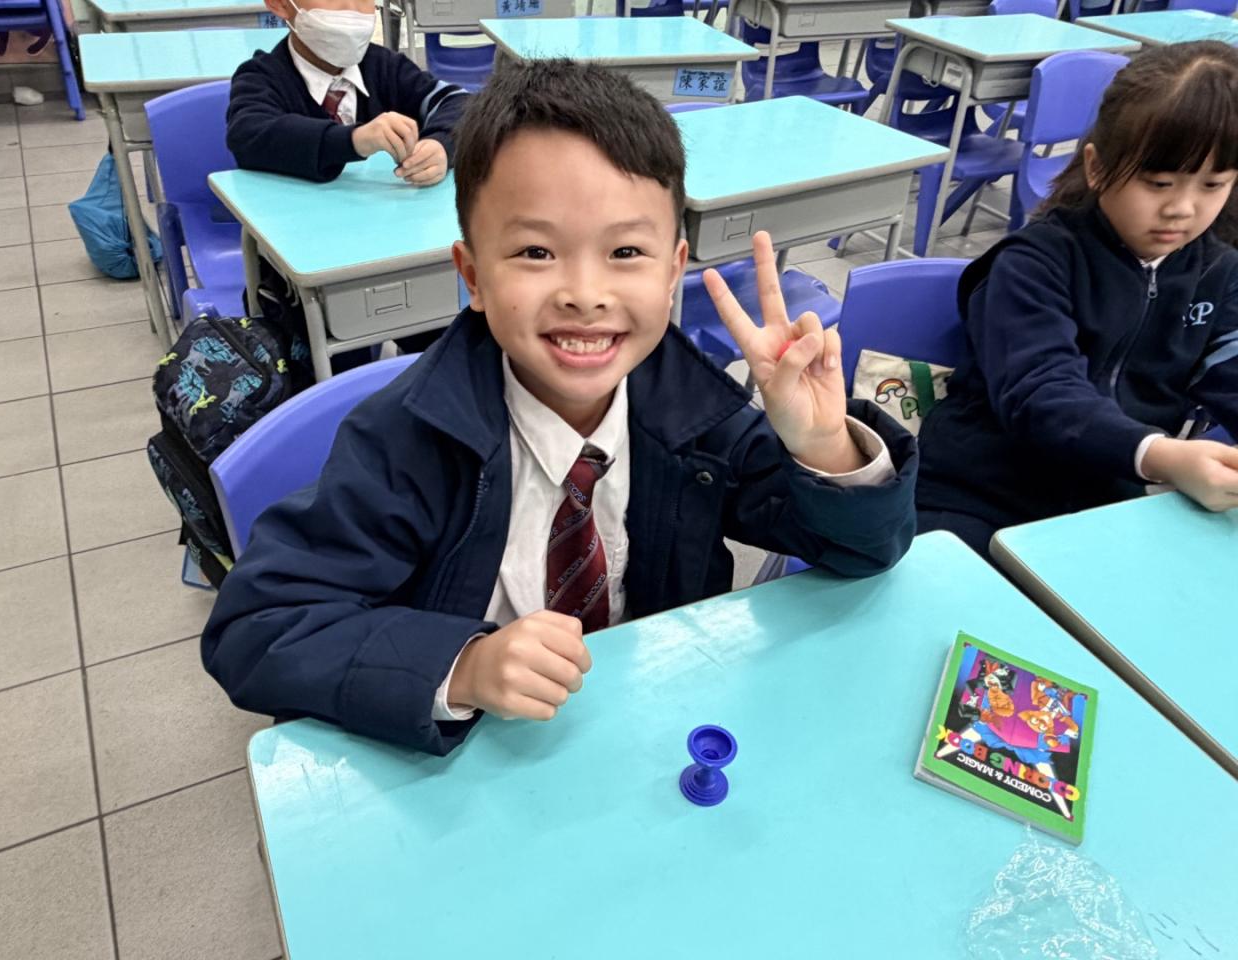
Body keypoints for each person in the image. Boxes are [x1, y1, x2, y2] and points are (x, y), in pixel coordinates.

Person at [202, 59, 918, 756]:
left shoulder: (697, 416)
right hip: (472, 759)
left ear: (673, 272)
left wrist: (823, 446)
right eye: (536, 253)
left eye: (626, 252)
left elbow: (863, 548)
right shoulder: (405, 442)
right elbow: (257, 627)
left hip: (644, 732)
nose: (584, 294)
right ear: (473, 275)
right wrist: (460, 666)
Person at [917, 41, 1238, 558]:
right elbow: (1041, 392)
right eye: (1158, 182)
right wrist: (1158, 455)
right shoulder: (1032, 262)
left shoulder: (1219, 271)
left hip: (1109, 504)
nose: (1182, 208)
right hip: (978, 497)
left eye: (1212, 184)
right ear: (1096, 166)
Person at [226, 0, 467, 184]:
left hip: (385, 220)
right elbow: (249, 135)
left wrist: (441, 144)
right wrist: (354, 140)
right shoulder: (261, 76)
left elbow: (461, 104)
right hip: (296, 225)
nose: (350, 9)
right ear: (279, 4)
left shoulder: (386, 67)